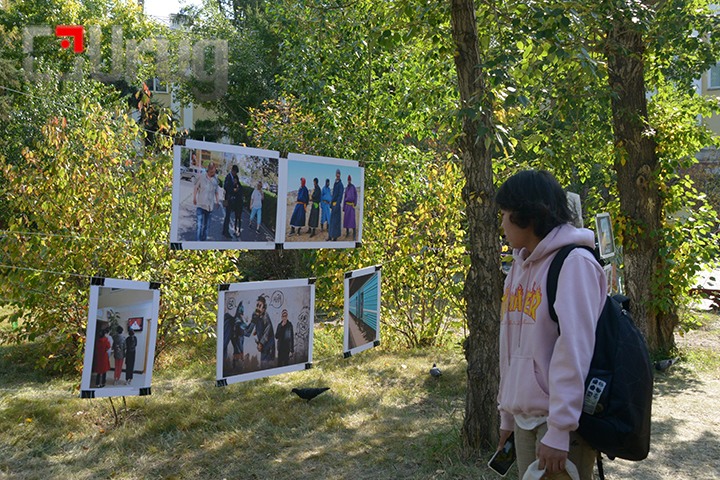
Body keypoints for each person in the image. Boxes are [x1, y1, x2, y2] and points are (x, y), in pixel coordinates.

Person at [494, 170, 607, 480]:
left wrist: (559, 429)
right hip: (523, 418)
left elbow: (575, 350)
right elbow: (509, 347)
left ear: (527, 215)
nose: (501, 223)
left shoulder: (574, 263)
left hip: (559, 424)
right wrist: (507, 415)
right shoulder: (518, 268)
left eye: (505, 213)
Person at [193, 162, 219, 241]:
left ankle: (203, 241)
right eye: (213, 172)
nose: (214, 173)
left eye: (214, 172)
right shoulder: (202, 177)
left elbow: (216, 192)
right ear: (209, 170)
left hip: (209, 207)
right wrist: (194, 198)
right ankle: (198, 242)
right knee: (199, 225)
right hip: (201, 205)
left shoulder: (215, 180)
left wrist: (217, 202)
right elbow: (196, 187)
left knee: (206, 226)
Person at [251, 296, 276, 369]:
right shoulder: (258, 315)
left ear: (264, 308)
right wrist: (256, 331)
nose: (257, 308)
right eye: (257, 305)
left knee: (266, 364)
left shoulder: (266, 317)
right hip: (263, 346)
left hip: (268, 346)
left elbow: (267, 332)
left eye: (260, 306)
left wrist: (261, 343)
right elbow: (259, 324)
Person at [223, 165, 243, 239]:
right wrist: (233, 190)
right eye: (235, 172)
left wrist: (237, 187)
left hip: (233, 200)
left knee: (228, 215)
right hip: (227, 199)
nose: (235, 174)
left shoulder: (236, 177)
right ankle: (226, 232)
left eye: (236, 173)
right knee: (227, 216)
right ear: (232, 170)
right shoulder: (228, 177)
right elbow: (225, 187)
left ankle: (224, 230)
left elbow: (239, 186)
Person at [327, 169, 344, 241]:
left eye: (339, 174)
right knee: (332, 221)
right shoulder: (335, 183)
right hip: (333, 205)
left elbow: (340, 196)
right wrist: (331, 204)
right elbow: (333, 194)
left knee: (336, 222)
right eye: (337, 173)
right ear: (335, 174)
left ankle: (335, 237)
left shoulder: (340, 185)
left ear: (340, 175)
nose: (338, 175)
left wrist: (337, 205)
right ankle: (330, 236)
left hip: (337, 205)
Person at [343, 174, 357, 239]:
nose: (349, 181)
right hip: (347, 205)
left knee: (352, 219)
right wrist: (344, 207)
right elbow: (345, 197)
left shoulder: (353, 187)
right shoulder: (346, 188)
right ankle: (347, 232)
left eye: (349, 180)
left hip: (351, 205)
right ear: (347, 180)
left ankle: (354, 233)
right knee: (346, 219)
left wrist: (355, 203)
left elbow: (356, 196)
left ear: (351, 180)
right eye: (348, 180)